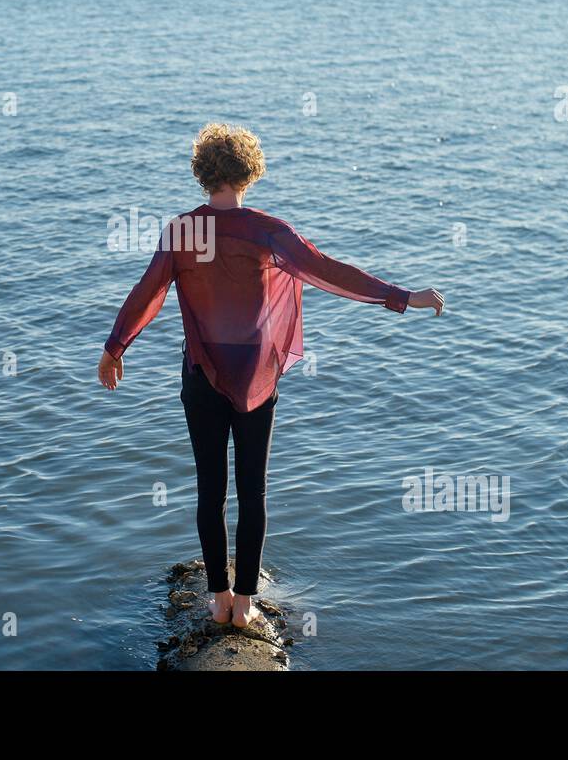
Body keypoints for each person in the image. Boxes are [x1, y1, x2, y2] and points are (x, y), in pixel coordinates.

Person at [98, 123, 444, 628]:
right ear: (250, 172)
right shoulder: (267, 229)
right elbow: (328, 270)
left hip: (201, 374)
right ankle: (245, 604)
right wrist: (402, 297)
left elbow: (147, 292)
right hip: (256, 374)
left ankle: (217, 599)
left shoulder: (182, 231)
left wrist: (115, 348)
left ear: (202, 173)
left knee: (209, 489)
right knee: (252, 490)